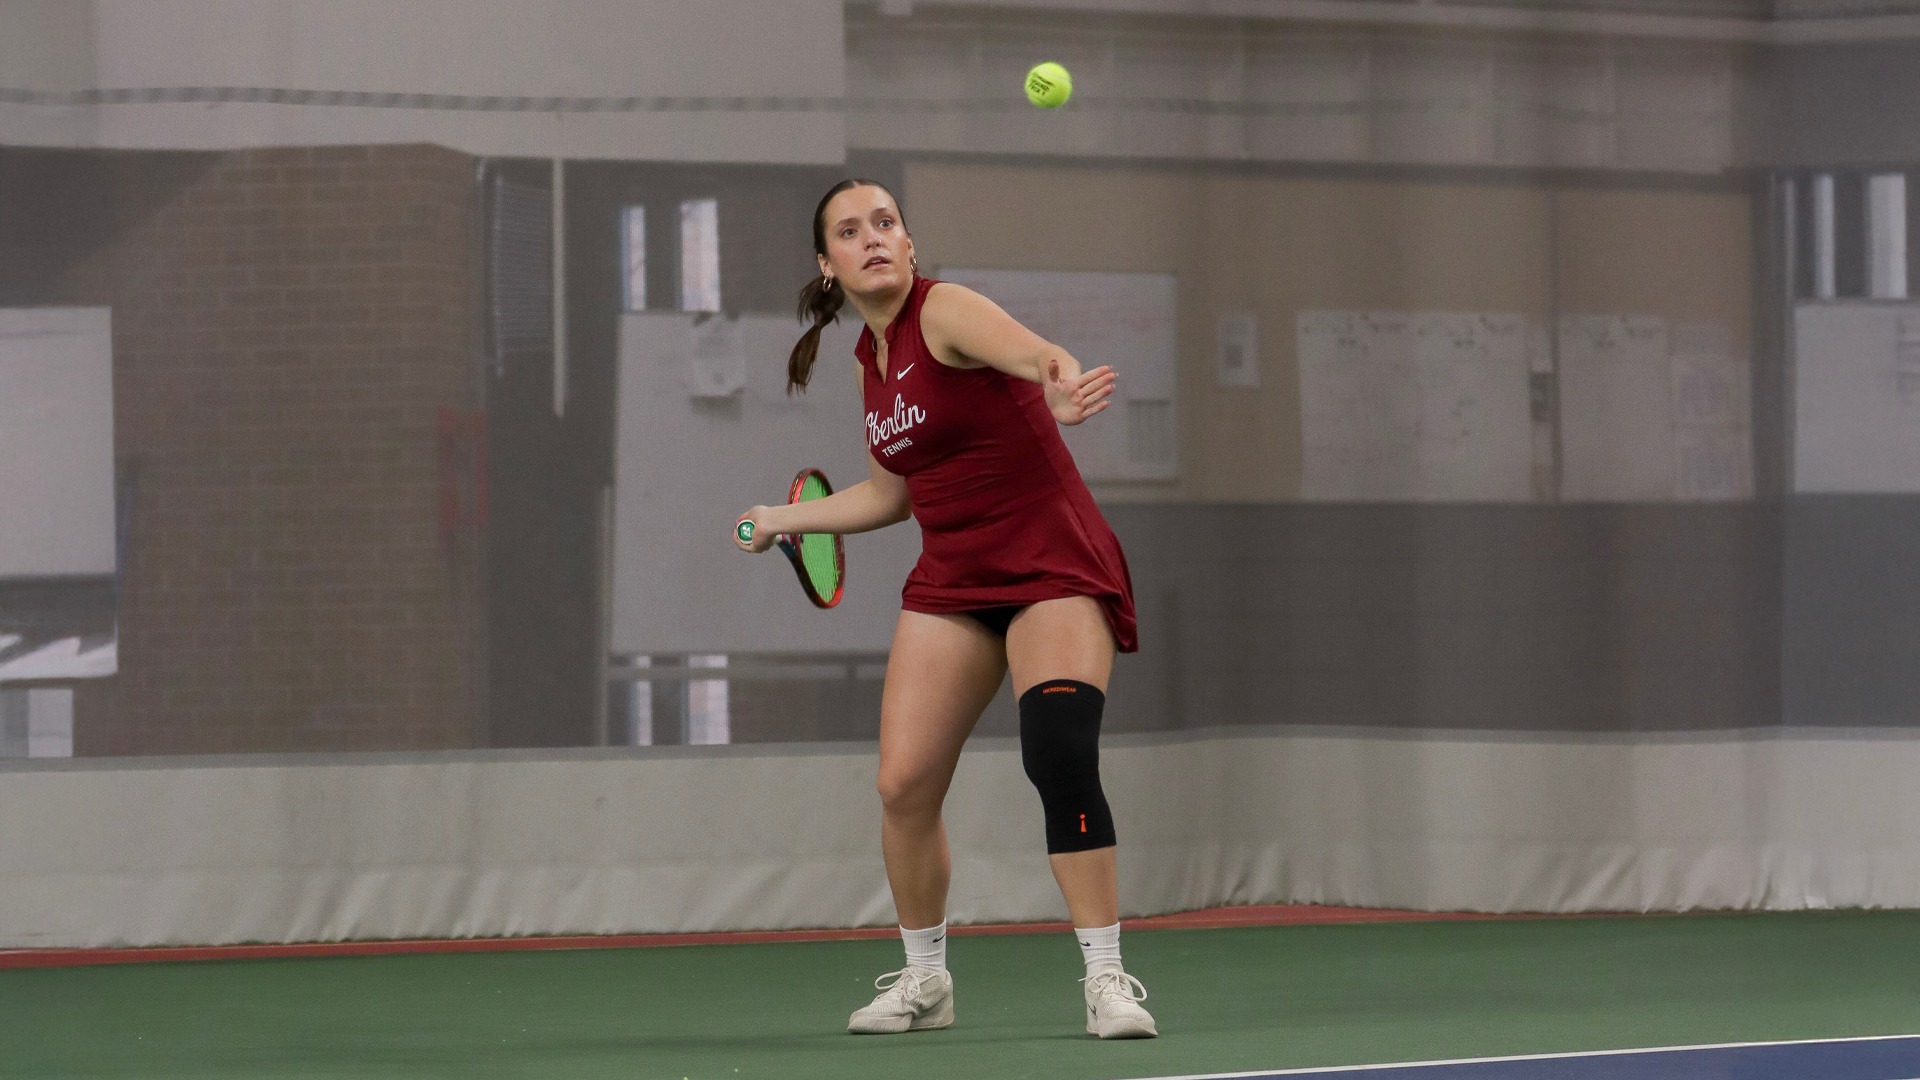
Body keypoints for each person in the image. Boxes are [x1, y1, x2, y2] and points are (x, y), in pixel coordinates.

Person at [732, 178, 1156, 1040]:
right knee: (903, 784)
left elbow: (1042, 357)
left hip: (1049, 566)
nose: (873, 237)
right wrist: (782, 519)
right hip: (955, 580)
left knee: (1059, 752)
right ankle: (926, 982)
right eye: (851, 231)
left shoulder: (946, 311)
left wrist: (1065, 387)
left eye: (886, 222)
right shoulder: (871, 362)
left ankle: (1108, 979)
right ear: (829, 265)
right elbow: (892, 492)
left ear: (910, 243)